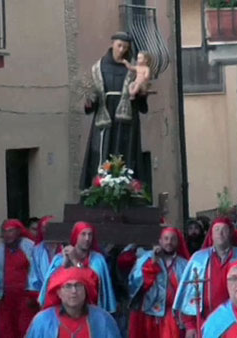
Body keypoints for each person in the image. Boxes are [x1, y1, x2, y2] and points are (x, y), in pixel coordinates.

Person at [173, 217, 237, 338]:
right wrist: (190, 326)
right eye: (216, 230)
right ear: (211, 235)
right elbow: (189, 295)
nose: (220, 233)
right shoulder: (198, 260)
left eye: (224, 230)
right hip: (206, 324)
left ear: (231, 233)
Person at [80, 31, 149, 190]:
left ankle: (128, 188)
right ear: (112, 44)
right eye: (119, 45)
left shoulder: (133, 70)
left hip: (127, 122)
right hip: (105, 119)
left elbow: (141, 98)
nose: (122, 49)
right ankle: (100, 187)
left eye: (125, 47)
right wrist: (90, 100)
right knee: (102, 152)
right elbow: (91, 97)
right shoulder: (98, 67)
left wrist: (141, 94)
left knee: (126, 154)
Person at [38, 222, 117, 313]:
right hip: (64, 311)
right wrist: (65, 263)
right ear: (76, 236)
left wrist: (75, 261)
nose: (87, 239)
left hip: (90, 310)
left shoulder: (98, 259)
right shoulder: (60, 258)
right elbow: (53, 285)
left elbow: (90, 282)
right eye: (83, 234)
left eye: (90, 235)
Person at [0, 219, 38, 338]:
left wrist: (34, 294)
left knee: (25, 328)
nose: (8, 235)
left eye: (11, 231)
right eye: (5, 232)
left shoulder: (29, 247)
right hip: (5, 298)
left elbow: (37, 270)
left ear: (17, 232)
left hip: (25, 297)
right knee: (6, 329)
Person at [127, 227, 190, 338]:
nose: (169, 242)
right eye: (166, 239)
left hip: (173, 316)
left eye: (173, 239)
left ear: (178, 242)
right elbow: (135, 286)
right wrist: (152, 264)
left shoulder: (184, 264)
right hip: (148, 315)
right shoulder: (146, 259)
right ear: (160, 241)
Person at [26, 267, 122, 338]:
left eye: (78, 285)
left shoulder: (103, 319)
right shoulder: (42, 321)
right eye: (68, 286)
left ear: (86, 291)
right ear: (59, 292)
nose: (74, 291)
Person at [29, 216, 63, 292]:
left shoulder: (66, 248)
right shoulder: (37, 250)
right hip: (44, 295)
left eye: (50, 227)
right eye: (44, 227)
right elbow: (34, 278)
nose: (47, 230)